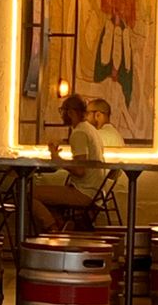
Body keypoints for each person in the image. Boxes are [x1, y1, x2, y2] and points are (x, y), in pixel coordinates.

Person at [31, 93, 105, 232]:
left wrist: (57, 159)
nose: (62, 115)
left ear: (70, 112)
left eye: (62, 111)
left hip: (84, 193)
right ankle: (61, 223)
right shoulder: (91, 129)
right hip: (96, 192)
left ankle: (53, 227)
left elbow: (80, 170)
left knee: (28, 193)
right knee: (47, 197)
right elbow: (82, 164)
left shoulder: (78, 133)